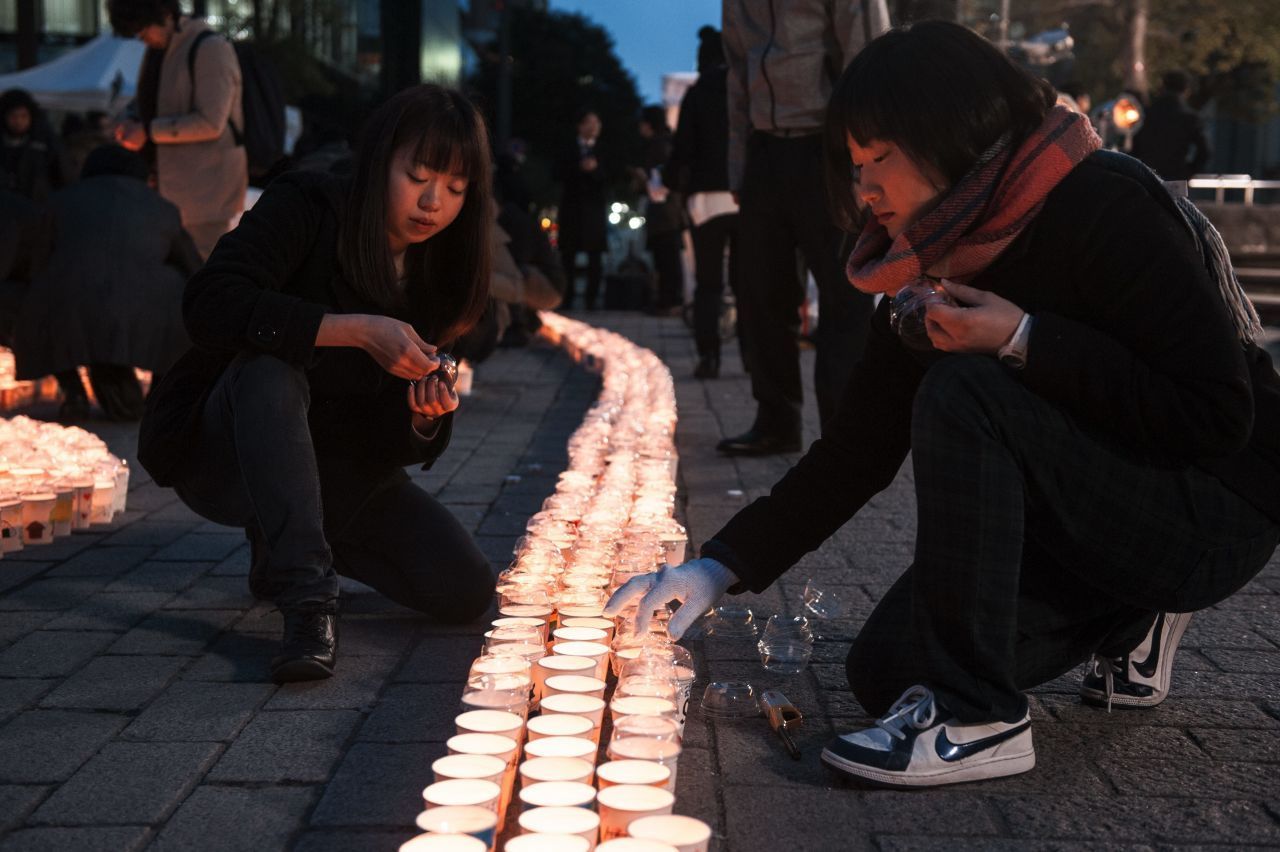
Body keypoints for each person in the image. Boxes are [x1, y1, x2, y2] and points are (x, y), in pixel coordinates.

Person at [607, 21, 1280, 788]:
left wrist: (1025, 338)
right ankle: (1134, 613)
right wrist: (715, 567)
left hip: (1213, 503)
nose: (864, 191)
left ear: (945, 135)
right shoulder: (928, 265)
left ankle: (981, 717)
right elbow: (856, 452)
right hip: (1095, 501)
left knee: (968, 390)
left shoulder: (1100, 203)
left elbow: (1218, 415)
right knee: (887, 670)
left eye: (878, 161)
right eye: (854, 165)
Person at [136, 85, 497, 684]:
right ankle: (307, 601)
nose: (433, 202)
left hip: (335, 466)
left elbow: (391, 443)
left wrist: (424, 417)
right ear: (381, 159)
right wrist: (352, 330)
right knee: (271, 370)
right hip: (229, 446)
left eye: (456, 189)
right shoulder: (308, 204)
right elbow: (209, 303)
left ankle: (280, 550)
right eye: (418, 175)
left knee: (463, 589)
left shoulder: (439, 270)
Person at [717, 0, 889, 456]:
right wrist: (739, 166)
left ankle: (845, 433)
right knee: (761, 296)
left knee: (844, 293)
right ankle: (776, 421)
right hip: (765, 149)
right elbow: (735, 73)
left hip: (828, 145)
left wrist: (865, 165)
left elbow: (872, 58)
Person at [14, 145, 201, 422]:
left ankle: (73, 390)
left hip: (68, 307)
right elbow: (192, 265)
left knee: (43, 293)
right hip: (150, 311)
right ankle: (160, 394)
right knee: (178, 290)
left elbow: (37, 261)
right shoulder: (163, 207)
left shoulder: (60, 201)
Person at [107, 0, 248, 258]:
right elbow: (153, 101)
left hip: (205, 195)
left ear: (162, 15)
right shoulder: (160, 51)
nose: (142, 38)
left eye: (143, 29)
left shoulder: (209, 48)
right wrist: (128, 118)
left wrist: (147, 131)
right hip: (168, 191)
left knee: (201, 272)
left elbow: (210, 122)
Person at [667, 26, 739, 380]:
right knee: (749, 281)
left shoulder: (697, 93)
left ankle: (708, 356)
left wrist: (673, 180)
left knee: (708, 282)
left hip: (704, 198)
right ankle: (755, 360)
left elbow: (682, 148)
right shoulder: (742, 86)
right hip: (742, 193)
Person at [556, 109, 608, 311]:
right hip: (571, 209)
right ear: (580, 125)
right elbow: (557, 173)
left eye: (597, 123)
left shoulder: (603, 149)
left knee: (595, 258)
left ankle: (591, 300)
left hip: (594, 211)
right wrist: (578, 168)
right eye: (590, 122)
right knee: (567, 257)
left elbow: (610, 177)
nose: (594, 127)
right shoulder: (568, 148)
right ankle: (566, 299)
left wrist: (595, 170)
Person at [636, 105, 685, 315]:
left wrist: (642, 178)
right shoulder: (670, 141)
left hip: (664, 211)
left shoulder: (659, 145)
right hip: (672, 210)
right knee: (668, 257)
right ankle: (669, 300)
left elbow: (660, 179)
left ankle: (668, 301)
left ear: (648, 124)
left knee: (666, 258)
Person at [1131, 71, 1211, 182]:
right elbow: (1205, 151)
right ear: (1186, 90)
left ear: (1163, 87)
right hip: (1176, 177)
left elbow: (1133, 146)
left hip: (1146, 176)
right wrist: (1188, 171)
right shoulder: (1191, 118)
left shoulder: (1146, 114)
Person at [0, 88, 72, 203]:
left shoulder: (46, 143)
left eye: (23, 116)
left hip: (38, 210)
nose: (18, 121)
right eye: (13, 116)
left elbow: (65, 177)